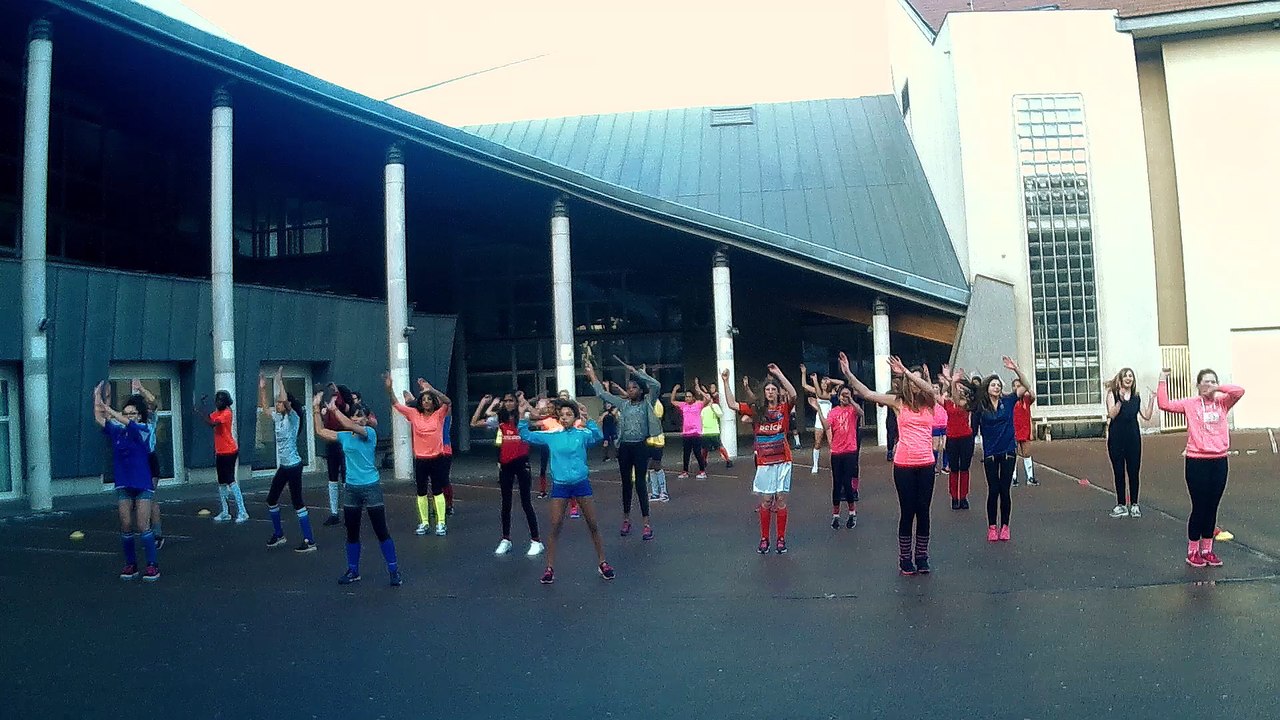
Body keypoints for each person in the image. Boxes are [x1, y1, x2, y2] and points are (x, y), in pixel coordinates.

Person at [839, 352, 937, 575]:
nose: (914, 384)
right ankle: (905, 559)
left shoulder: (929, 402)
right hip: (904, 465)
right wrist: (848, 374)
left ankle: (922, 556)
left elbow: (929, 388)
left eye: (917, 379)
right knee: (908, 511)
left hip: (926, 464)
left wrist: (908, 373)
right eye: (910, 380)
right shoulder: (898, 402)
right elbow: (867, 393)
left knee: (923, 511)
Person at [519, 398, 614, 584]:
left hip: (581, 483)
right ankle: (549, 568)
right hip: (560, 485)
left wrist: (588, 418)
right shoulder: (552, 435)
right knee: (555, 526)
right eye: (562, 415)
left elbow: (598, 436)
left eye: (569, 414)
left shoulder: (582, 434)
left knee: (593, 524)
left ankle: (603, 562)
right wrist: (523, 416)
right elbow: (526, 435)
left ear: (575, 417)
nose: (564, 417)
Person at [1157, 368, 1245, 568]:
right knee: (1200, 506)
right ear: (1198, 385)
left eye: (1212, 381)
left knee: (1212, 506)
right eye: (1205, 382)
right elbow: (1164, 404)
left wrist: (1218, 388)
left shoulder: (1223, 402)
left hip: (1219, 460)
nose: (1209, 385)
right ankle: (1193, 551)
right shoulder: (1191, 404)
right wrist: (1162, 380)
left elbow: (1239, 391)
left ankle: (1207, 549)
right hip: (1197, 460)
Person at [313, 392, 401, 586]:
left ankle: (394, 570)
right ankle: (353, 571)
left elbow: (349, 425)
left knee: (381, 530)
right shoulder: (345, 437)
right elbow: (320, 431)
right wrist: (315, 408)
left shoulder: (369, 433)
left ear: (367, 419)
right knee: (352, 532)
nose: (358, 419)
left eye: (362, 416)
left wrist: (334, 410)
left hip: (370, 487)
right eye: (355, 415)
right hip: (352, 489)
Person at [721, 363, 798, 554]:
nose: (770, 392)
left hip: (783, 461)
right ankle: (764, 538)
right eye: (767, 390)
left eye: (773, 389)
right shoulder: (757, 411)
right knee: (766, 501)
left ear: (777, 393)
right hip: (764, 463)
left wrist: (779, 373)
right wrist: (725, 382)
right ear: (764, 393)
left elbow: (794, 394)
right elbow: (732, 404)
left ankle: (781, 539)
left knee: (781, 500)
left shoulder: (784, 408)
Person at [584, 355, 660, 541]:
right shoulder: (623, 404)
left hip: (641, 446)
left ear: (641, 390)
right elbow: (603, 394)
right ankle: (626, 520)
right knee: (626, 484)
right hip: (625, 448)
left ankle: (646, 524)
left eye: (634, 387)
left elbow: (656, 385)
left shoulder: (647, 403)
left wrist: (638, 373)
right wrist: (592, 374)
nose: (630, 390)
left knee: (640, 484)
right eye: (629, 387)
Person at [94, 382, 160, 581]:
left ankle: (152, 565)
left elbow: (126, 422)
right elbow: (99, 418)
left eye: (132, 413)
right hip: (124, 482)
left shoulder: (143, 429)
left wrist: (109, 410)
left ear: (139, 415)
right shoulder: (117, 431)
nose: (129, 416)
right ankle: (131, 564)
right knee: (125, 524)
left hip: (142, 482)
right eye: (126, 413)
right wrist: (96, 398)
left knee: (142, 524)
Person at [474, 392, 544, 556]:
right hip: (506, 465)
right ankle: (506, 539)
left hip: (522, 463)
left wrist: (525, 403)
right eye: (505, 401)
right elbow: (474, 422)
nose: (508, 403)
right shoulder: (500, 419)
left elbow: (538, 415)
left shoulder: (524, 417)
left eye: (511, 400)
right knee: (506, 503)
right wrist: (483, 404)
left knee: (526, 502)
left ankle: (536, 540)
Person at [973, 357, 1035, 543]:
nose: (996, 387)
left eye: (998, 385)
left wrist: (1015, 369)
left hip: (1008, 450)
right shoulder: (981, 406)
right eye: (993, 385)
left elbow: (1026, 385)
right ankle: (992, 526)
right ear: (987, 388)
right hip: (991, 453)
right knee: (993, 490)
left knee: (1005, 490)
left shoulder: (1008, 401)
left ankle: (1005, 526)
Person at [385, 373, 452, 537]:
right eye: (424, 400)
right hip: (421, 459)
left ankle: (441, 523)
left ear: (433, 402)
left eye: (429, 399)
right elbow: (396, 404)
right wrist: (389, 389)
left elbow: (448, 401)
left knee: (437, 490)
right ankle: (424, 522)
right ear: (420, 403)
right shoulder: (414, 414)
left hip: (437, 458)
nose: (426, 402)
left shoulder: (439, 414)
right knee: (421, 491)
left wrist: (431, 390)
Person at [259, 368, 316, 553]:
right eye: (276, 402)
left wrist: (279, 381)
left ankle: (309, 540)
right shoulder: (278, 418)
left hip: (294, 466)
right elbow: (265, 409)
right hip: (284, 467)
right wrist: (263, 388)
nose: (277, 405)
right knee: (271, 499)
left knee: (297, 502)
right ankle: (279, 534)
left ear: (287, 404)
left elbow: (285, 400)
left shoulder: (293, 418)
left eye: (280, 403)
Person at [815, 364, 863, 530]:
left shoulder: (853, 410)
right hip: (837, 451)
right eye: (842, 395)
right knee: (837, 484)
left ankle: (851, 513)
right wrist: (818, 409)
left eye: (847, 395)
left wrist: (852, 400)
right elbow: (826, 425)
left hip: (850, 451)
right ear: (838, 396)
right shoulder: (834, 411)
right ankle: (835, 515)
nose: (844, 398)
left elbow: (861, 413)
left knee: (847, 484)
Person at [1105, 368, 1155, 518]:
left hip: (1133, 438)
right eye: (1125, 376)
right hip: (1116, 438)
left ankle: (1134, 504)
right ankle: (1121, 504)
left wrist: (1152, 399)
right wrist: (1120, 401)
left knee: (1134, 471)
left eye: (1131, 376)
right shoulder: (1112, 394)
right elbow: (1111, 414)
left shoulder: (1136, 397)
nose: (1128, 378)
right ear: (1120, 379)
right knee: (1119, 471)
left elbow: (1146, 416)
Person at [197, 389, 248, 523]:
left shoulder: (227, 413)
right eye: (216, 400)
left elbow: (212, 423)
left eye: (220, 400)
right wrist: (203, 406)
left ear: (225, 402)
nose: (217, 402)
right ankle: (225, 512)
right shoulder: (218, 412)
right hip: (220, 451)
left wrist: (200, 411)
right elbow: (210, 417)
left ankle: (242, 511)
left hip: (229, 451)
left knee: (230, 480)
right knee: (221, 482)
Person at [131, 379, 165, 549]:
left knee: (150, 498)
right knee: (138, 500)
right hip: (136, 462)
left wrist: (141, 388)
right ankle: (146, 531)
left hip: (149, 460)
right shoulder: (131, 423)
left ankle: (157, 534)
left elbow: (153, 401)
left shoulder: (150, 419)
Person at [938, 366, 976, 511]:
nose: (959, 390)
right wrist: (947, 380)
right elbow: (936, 394)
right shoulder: (948, 403)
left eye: (961, 388)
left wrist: (952, 381)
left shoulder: (966, 402)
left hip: (966, 438)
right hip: (952, 438)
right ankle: (954, 497)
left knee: (964, 468)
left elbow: (956, 397)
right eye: (957, 387)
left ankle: (963, 496)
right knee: (954, 468)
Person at [320, 383, 355, 526]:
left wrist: (337, 394)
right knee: (332, 478)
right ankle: (334, 512)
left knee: (346, 476)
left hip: (343, 440)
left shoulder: (346, 407)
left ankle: (349, 509)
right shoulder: (330, 406)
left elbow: (344, 407)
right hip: (332, 441)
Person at [800, 365, 845, 474]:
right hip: (819, 420)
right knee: (817, 443)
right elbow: (804, 385)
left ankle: (835, 464)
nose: (824, 384)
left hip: (830, 420)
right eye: (822, 383)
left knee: (832, 443)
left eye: (825, 383)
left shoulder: (833, 392)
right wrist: (804, 372)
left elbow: (842, 383)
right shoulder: (817, 391)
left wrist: (831, 380)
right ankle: (815, 465)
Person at [670, 382, 709, 479]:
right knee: (686, 454)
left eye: (689, 396)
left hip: (696, 433)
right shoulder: (683, 405)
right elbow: (672, 401)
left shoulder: (698, 404)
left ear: (693, 397)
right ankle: (685, 472)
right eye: (686, 397)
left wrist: (700, 390)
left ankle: (702, 471)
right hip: (686, 433)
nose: (687, 398)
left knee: (697, 453)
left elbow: (708, 399)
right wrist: (675, 390)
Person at [699, 382, 733, 469]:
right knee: (704, 449)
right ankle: (704, 461)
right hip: (705, 432)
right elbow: (700, 420)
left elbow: (720, 414)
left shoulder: (715, 406)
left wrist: (712, 408)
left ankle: (728, 460)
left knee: (720, 447)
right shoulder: (703, 409)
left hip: (714, 431)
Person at [1012, 378, 1037, 486]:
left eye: (1019, 386)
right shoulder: (1010, 400)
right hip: (1013, 430)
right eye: (1014, 386)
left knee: (1026, 453)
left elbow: (1033, 396)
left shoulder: (1026, 399)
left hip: (1025, 429)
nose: (1016, 388)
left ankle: (1030, 477)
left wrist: (1031, 431)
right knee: (1014, 454)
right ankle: (1013, 478)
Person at [646, 386, 669, 502]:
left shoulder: (657, 404)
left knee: (657, 465)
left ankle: (664, 492)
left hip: (657, 440)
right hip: (648, 440)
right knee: (650, 466)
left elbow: (654, 420)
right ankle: (655, 492)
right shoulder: (646, 403)